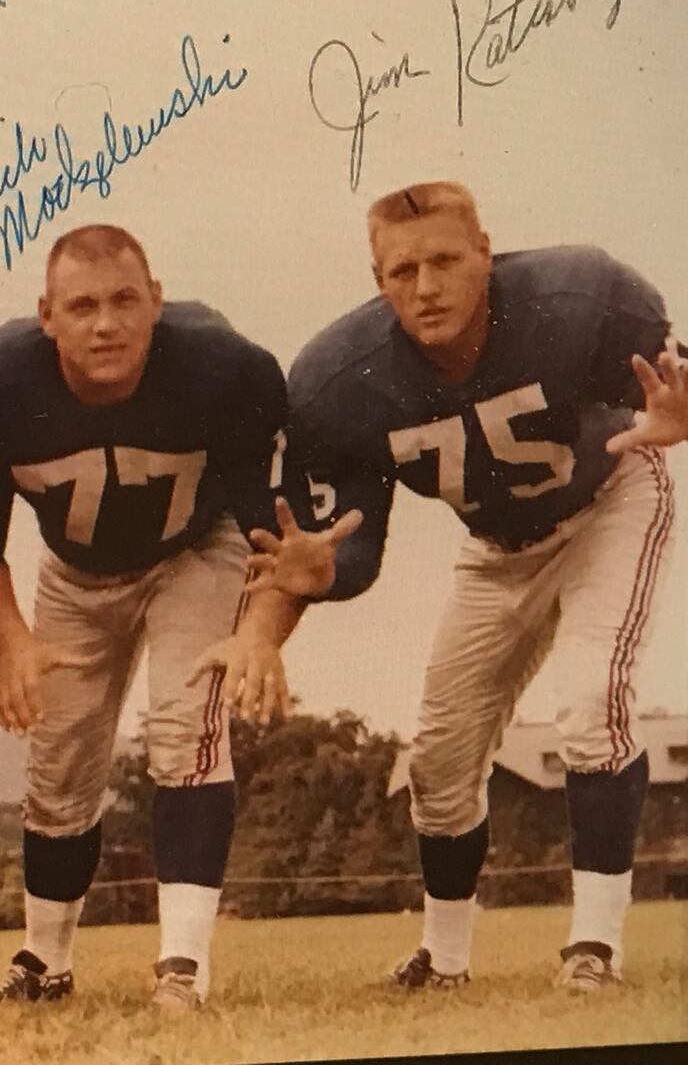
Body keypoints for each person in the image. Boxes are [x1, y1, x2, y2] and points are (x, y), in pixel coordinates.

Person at [0, 224, 351, 1012]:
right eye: (82, 305)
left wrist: (261, 629)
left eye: (126, 299)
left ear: (157, 300)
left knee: (185, 728)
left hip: (195, 550)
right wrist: (10, 642)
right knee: (58, 765)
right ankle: (44, 960)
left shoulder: (228, 372)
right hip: (75, 571)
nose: (106, 324)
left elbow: (276, 533)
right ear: (45, 315)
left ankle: (183, 967)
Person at [280, 180, 684, 992]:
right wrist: (325, 572)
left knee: (590, 700)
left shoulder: (573, 295)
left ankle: (594, 947)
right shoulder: (340, 380)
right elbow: (359, 546)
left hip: (608, 503)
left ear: (485, 253)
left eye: (444, 261)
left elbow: (673, 377)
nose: (425, 287)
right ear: (377, 276)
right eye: (401, 271)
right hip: (496, 549)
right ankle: (446, 956)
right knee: (437, 762)